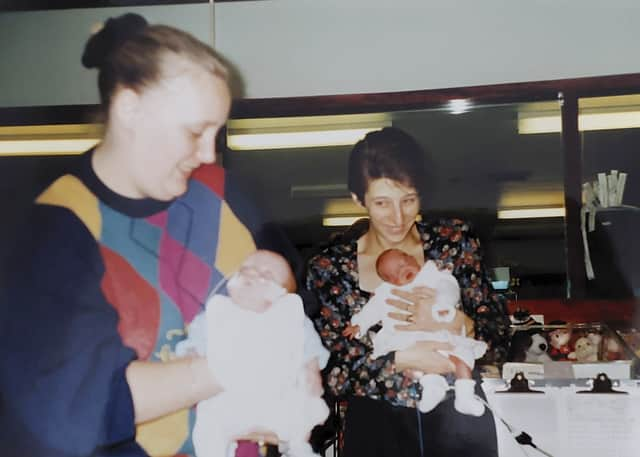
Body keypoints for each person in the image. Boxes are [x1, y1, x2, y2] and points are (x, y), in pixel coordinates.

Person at [0, 13, 319, 457]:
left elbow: (295, 293)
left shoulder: (223, 195)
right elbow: (85, 403)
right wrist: (247, 363)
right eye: (194, 132)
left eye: (216, 132)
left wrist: (300, 365)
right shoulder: (54, 228)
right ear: (130, 108)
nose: (209, 153)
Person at [305, 127, 511, 456]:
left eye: (409, 200)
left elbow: (498, 331)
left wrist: (469, 325)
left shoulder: (453, 243)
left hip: (458, 414)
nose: (398, 218)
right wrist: (400, 359)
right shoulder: (332, 267)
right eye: (382, 203)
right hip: (376, 425)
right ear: (358, 199)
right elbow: (328, 366)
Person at [177, 250, 329, 457]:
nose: (252, 275)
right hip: (227, 400)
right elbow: (196, 340)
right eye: (245, 270)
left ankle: (298, 448)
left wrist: (311, 369)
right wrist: (192, 353)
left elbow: (309, 346)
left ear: (282, 295)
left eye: (266, 275)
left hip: (277, 398)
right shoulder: (218, 312)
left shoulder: (290, 318)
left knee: (304, 410)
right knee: (209, 426)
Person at [343, 249, 487, 417]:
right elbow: (371, 310)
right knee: (421, 366)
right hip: (410, 340)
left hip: (442, 334)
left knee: (462, 358)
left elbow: (448, 287)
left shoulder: (431, 274)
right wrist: (359, 325)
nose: (402, 270)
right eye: (395, 273)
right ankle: (433, 388)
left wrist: (443, 304)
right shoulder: (385, 292)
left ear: (413, 259)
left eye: (404, 263)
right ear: (390, 282)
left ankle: (465, 397)